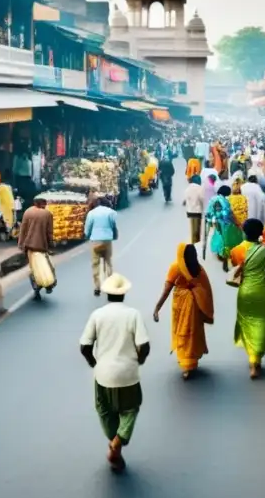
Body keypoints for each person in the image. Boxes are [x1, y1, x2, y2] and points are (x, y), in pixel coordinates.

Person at [79, 274, 150, 473]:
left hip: (104, 376)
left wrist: (95, 363)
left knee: (104, 410)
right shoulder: (133, 314)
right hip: (128, 375)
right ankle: (117, 444)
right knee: (130, 410)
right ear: (124, 293)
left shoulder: (97, 315)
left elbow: (85, 346)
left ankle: (114, 441)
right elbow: (144, 346)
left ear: (107, 293)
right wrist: (139, 361)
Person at [153, 243, 214, 379]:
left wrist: (157, 307)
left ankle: (186, 365)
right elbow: (206, 289)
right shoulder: (198, 268)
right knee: (193, 332)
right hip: (195, 305)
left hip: (180, 305)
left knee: (182, 331)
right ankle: (191, 360)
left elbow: (166, 290)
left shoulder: (176, 267)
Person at [230, 219, 265, 379]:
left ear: (244, 232)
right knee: (262, 325)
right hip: (263, 292)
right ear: (261, 233)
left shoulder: (237, 250)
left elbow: (235, 266)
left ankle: (252, 358)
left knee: (247, 324)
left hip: (246, 292)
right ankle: (257, 359)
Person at [18, 195, 55, 300]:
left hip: (29, 246)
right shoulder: (47, 214)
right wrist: (51, 245)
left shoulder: (27, 212)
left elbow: (23, 230)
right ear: (44, 204)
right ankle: (48, 285)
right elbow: (49, 232)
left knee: (34, 270)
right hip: (42, 246)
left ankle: (36, 289)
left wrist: (21, 245)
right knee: (47, 267)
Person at [85, 196, 118, 295]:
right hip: (107, 240)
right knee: (108, 262)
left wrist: (88, 236)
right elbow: (113, 226)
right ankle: (110, 285)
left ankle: (97, 287)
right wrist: (114, 236)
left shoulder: (91, 213)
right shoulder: (110, 212)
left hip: (95, 241)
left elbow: (88, 229)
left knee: (95, 264)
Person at [206, 185, 244, 272]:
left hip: (216, 222)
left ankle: (220, 254)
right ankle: (225, 260)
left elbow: (209, 212)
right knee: (226, 241)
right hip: (225, 224)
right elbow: (228, 214)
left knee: (218, 237)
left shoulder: (213, 199)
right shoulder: (224, 201)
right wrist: (237, 223)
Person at [183, 174, 205, 244]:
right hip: (197, 212)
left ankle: (193, 243)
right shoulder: (199, 188)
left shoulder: (188, 188)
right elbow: (202, 199)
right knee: (197, 231)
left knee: (192, 230)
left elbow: (185, 200)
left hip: (189, 212)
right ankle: (196, 245)